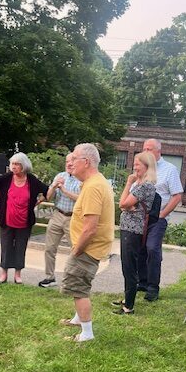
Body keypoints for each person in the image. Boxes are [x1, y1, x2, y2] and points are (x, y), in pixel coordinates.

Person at [60, 143, 114, 342]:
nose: (70, 163)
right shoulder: (94, 183)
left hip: (87, 249)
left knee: (78, 288)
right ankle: (78, 319)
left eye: (74, 159)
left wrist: (77, 250)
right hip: (90, 247)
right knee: (79, 286)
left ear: (86, 162)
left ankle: (87, 334)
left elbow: (90, 228)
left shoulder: (94, 187)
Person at [0, 153, 49, 284]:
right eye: (12, 164)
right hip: (7, 220)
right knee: (6, 247)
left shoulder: (31, 180)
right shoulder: (7, 178)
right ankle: (4, 274)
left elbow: (47, 192)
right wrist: (0, 196)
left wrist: (36, 202)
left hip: (24, 222)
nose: (13, 167)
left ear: (24, 166)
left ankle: (18, 275)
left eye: (17, 164)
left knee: (21, 248)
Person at [112, 152, 160, 315]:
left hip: (133, 231)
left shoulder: (145, 186)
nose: (134, 166)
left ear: (147, 166)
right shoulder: (141, 184)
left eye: (138, 164)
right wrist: (127, 204)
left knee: (129, 267)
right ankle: (127, 298)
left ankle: (129, 306)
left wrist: (128, 183)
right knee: (127, 266)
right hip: (129, 229)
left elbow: (122, 203)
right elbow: (124, 205)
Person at [138, 138, 183, 301]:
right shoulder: (143, 168)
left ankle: (152, 287)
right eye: (144, 149)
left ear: (158, 151)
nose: (145, 152)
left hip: (158, 218)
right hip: (140, 217)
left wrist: (162, 215)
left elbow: (177, 195)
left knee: (152, 248)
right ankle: (142, 282)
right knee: (140, 249)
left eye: (149, 149)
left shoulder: (169, 170)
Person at [38, 153, 81, 288]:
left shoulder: (82, 179)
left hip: (73, 218)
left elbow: (81, 199)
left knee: (75, 250)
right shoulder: (59, 176)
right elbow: (49, 197)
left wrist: (64, 189)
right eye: (67, 161)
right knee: (49, 248)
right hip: (57, 215)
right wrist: (54, 186)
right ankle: (49, 277)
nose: (69, 164)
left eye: (72, 161)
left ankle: (74, 280)